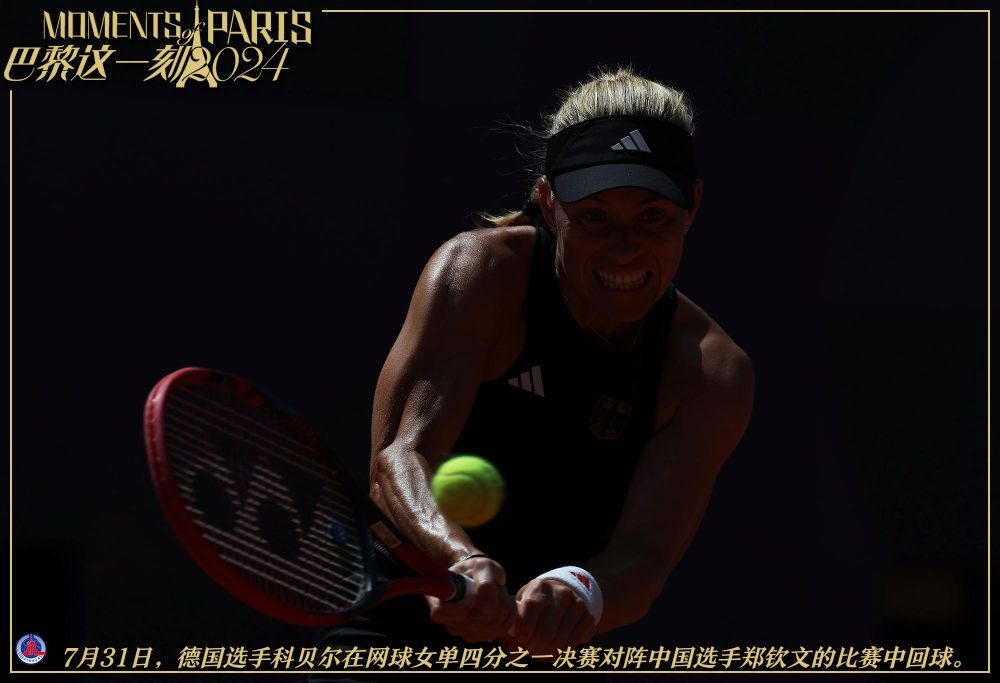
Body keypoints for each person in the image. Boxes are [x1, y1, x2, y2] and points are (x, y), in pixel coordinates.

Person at [314, 66, 754, 678]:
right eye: (594, 216)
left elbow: (644, 556)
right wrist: (462, 561)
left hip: (541, 653)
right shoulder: (481, 276)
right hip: (391, 626)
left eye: (652, 217)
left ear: (693, 207)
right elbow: (398, 459)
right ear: (548, 202)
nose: (625, 246)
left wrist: (581, 589)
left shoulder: (710, 373)